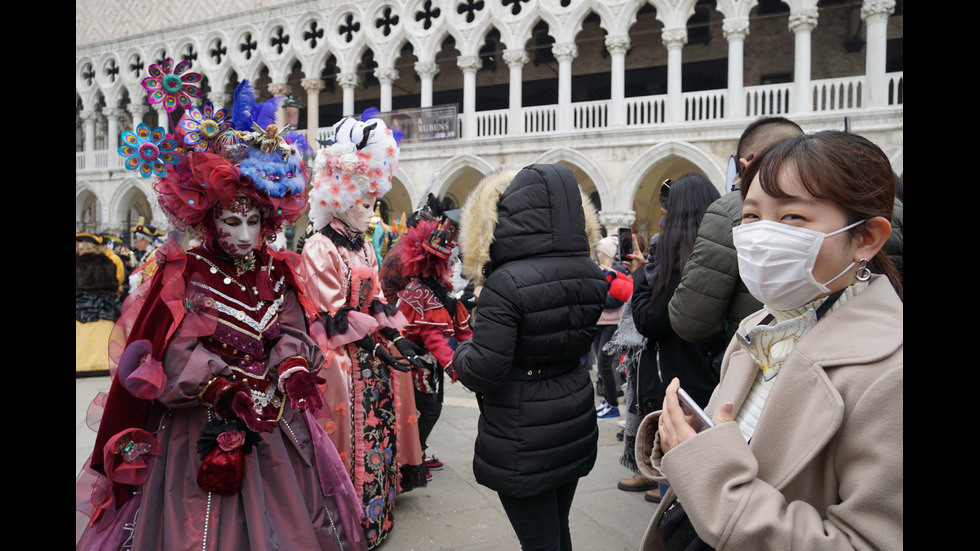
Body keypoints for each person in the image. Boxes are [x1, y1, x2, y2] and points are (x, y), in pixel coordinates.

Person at [75, 77, 365, 550]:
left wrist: (290, 367)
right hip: (203, 424)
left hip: (275, 420)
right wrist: (223, 388)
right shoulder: (186, 273)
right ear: (209, 218)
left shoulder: (278, 269)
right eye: (233, 220)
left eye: (254, 221)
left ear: (270, 218)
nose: (246, 234)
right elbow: (168, 352)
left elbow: (294, 326)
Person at [636, 130, 903, 550]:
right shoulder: (759, 325)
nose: (762, 236)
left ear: (867, 238)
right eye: (751, 216)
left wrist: (710, 473)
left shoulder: (890, 373)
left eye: (792, 217)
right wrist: (683, 438)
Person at [452, 165, 607, 551]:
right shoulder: (590, 271)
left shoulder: (507, 282)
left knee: (540, 542)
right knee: (557, 530)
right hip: (570, 417)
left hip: (524, 430)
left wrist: (460, 351)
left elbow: (484, 369)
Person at [301, 109, 428, 549]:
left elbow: (373, 299)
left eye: (373, 204)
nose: (371, 214)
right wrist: (377, 348)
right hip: (340, 362)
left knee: (380, 429)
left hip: (371, 360)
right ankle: (349, 524)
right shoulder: (319, 246)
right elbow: (330, 314)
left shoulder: (362, 247)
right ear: (339, 196)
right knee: (350, 436)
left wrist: (395, 338)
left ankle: (378, 514)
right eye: (365, 204)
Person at [627, 173, 724, 504]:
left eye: (666, 211)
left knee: (684, 494)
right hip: (713, 376)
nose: (662, 218)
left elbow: (649, 321)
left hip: (683, 385)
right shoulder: (717, 254)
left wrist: (641, 274)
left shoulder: (681, 261)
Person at [667, 116, 804, 344]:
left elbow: (690, 319)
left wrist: (733, 334)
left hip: (757, 354)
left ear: (745, 164)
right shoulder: (836, 205)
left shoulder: (729, 211)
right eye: (752, 216)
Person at [383, 204, 473, 473]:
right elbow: (434, 337)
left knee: (426, 408)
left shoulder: (435, 290)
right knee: (427, 410)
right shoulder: (421, 293)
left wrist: (477, 352)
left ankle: (414, 454)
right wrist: (456, 367)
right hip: (410, 361)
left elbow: (462, 330)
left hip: (421, 361)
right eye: (449, 263)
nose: (453, 267)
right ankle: (412, 457)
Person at [594, 235, 631, 419]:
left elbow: (615, 299)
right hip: (599, 323)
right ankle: (608, 401)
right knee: (603, 366)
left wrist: (594, 298)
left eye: (599, 251)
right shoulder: (600, 271)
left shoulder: (614, 270)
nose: (596, 254)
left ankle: (612, 404)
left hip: (611, 324)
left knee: (605, 364)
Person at [76, 233, 122, 376]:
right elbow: (115, 285)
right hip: (106, 304)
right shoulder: (109, 263)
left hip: (83, 304)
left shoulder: (79, 263)